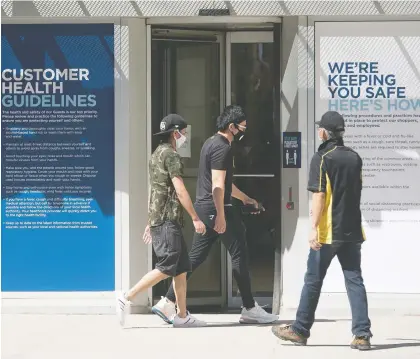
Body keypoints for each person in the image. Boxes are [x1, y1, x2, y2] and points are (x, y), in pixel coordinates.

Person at [152, 105, 279, 324]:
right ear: (231, 127)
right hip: (218, 209)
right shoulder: (223, 148)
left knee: (194, 258)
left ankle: (167, 301)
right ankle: (249, 308)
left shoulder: (210, 143)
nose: (243, 132)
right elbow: (218, 186)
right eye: (241, 128)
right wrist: (221, 214)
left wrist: (246, 198)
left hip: (205, 207)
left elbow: (223, 183)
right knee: (240, 252)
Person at [271, 111, 372, 350]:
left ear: (325, 132)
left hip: (328, 232)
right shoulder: (355, 157)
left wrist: (313, 228)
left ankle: (299, 329)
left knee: (313, 280)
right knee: (354, 280)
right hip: (352, 231)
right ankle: (362, 335)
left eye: (320, 128)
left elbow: (319, 195)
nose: (319, 131)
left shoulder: (322, 157)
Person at [116, 114, 207, 328]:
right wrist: (195, 217)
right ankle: (126, 297)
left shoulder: (156, 154)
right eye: (183, 133)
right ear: (175, 133)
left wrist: (151, 220)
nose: (185, 136)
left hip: (162, 218)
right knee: (167, 266)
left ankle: (182, 316)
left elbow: (157, 190)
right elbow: (179, 189)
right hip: (168, 220)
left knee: (182, 267)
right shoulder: (171, 156)